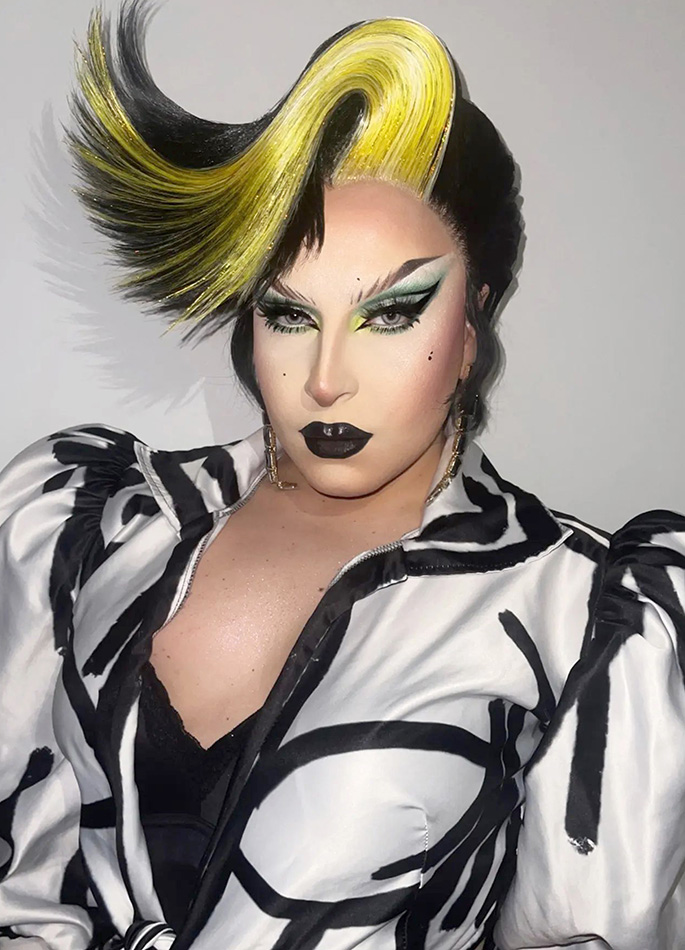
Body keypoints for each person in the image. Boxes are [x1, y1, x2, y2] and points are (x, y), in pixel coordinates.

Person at [0, 3, 684, 949]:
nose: (326, 378)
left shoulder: (581, 615)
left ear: (471, 323)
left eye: (391, 314)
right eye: (288, 315)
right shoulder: (96, 524)